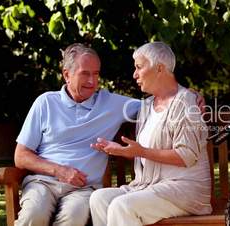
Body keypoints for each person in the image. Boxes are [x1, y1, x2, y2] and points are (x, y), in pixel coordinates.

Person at [13, 43, 204, 226]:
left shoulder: (112, 104)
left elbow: (166, 100)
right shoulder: (45, 103)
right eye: (85, 74)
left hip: (83, 189)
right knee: (33, 215)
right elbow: (20, 156)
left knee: (74, 218)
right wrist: (59, 170)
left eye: (96, 74)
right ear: (67, 75)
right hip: (43, 182)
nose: (92, 81)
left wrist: (190, 94)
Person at [89, 41, 212, 226]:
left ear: (160, 68)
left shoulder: (185, 103)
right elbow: (140, 150)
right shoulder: (146, 106)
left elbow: (186, 156)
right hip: (150, 185)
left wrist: (140, 152)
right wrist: (123, 150)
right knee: (99, 199)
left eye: (139, 67)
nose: (134, 74)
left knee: (122, 206)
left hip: (185, 189)